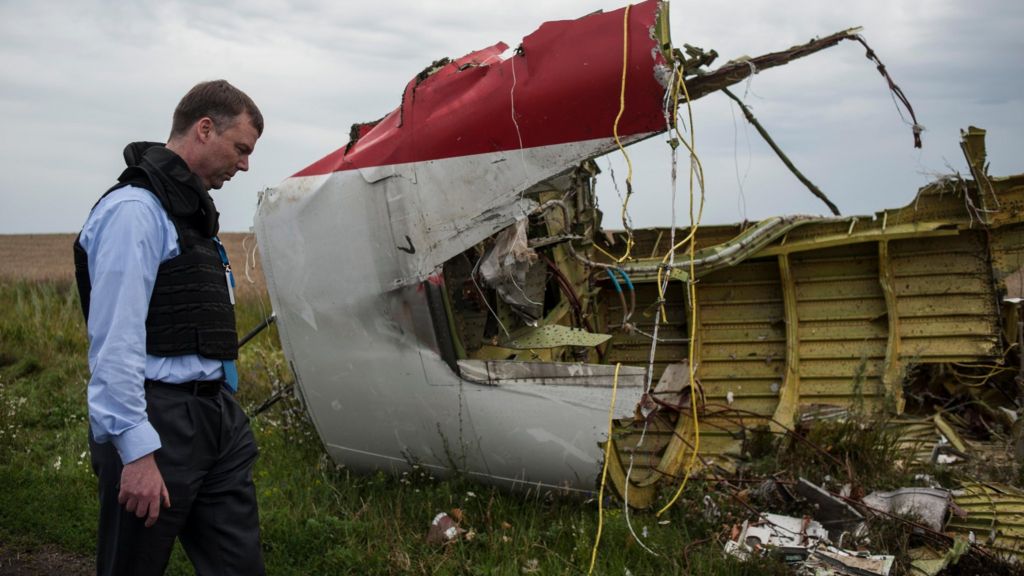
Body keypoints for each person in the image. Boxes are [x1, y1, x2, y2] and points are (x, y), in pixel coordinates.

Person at [73, 79, 266, 575]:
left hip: (214, 420)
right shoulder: (135, 212)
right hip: (155, 419)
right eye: (241, 149)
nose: (245, 164)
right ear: (205, 129)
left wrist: (224, 408)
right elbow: (115, 341)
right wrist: (135, 452)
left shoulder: (192, 214)